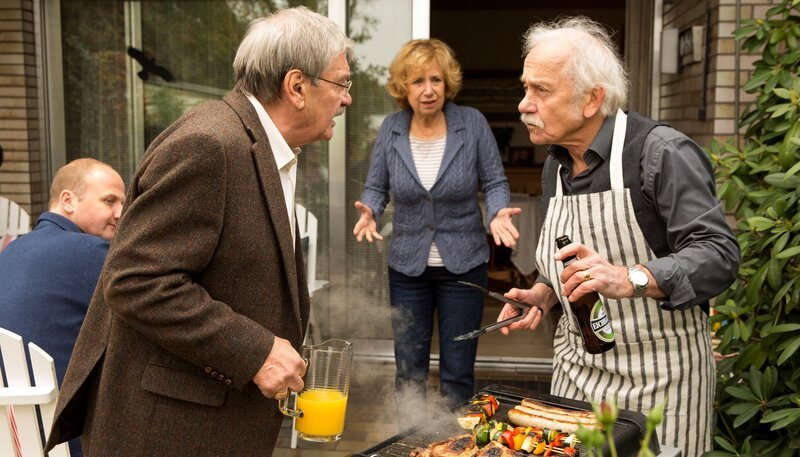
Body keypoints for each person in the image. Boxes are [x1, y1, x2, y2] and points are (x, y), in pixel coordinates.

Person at [45, 7, 353, 456]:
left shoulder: (260, 147)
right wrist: (257, 351)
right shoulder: (210, 144)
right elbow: (135, 281)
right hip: (169, 431)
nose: (346, 99)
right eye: (341, 83)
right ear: (297, 86)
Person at [494, 17, 739, 457]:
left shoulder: (661, 154)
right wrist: (547, 292)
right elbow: (569, 254)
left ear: (592, 100)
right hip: (577, 372)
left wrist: (631, 279)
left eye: (541, 91)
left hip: (663, 378)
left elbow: (719, 255)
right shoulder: (556, 164)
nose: (523, 105)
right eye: (525, 87)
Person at [353, 38, 520, 410]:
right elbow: (376, 186)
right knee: (408, 370)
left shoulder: (471, 123)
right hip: (407, 269)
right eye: (417, 81)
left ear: (447, 83)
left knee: (458, 372)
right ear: (403, 87)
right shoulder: (391, 129)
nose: (428, 90)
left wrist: (496, 212)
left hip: (464, 267)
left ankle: (453, 445)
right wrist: (372, 210)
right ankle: (407, 444)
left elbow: (495, 181)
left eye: (436, 80)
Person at [0, 158, 124, 457]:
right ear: (68, 200)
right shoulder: (92, 252)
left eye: (124, 203)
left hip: (12, 431)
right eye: (110, 201)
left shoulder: (10, 251)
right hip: (69, 436)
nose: (121, 213)